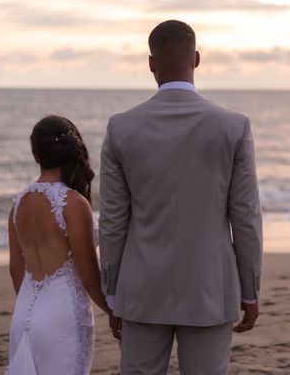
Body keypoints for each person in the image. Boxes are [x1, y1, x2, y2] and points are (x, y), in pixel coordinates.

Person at [99, 20, 263, 374]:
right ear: (197, 59)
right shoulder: (233, 127)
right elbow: (246, 218)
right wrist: (249, 290)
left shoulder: (121, 127)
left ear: (151, 63)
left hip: (141, 289)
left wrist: (112, 293)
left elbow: (112, 222)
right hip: (211, 287)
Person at [6, 115, 118, 374]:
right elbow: (89, 277)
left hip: (23, 313)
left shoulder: (17, 203)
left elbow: (15, 268)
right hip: (62, 315)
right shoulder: (73, 202)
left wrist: (31, 311)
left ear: (36, 156)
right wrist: (112, 311)